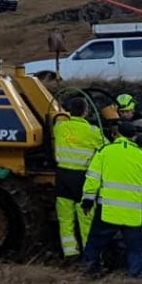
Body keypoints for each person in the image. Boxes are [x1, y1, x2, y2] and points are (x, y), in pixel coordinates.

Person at [79, 120, 142, 277]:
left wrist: (87, 201)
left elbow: (92, 180)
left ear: (117, 134)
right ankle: (134, 276)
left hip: (108, 212)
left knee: (95, 243)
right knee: (134, 248)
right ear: (134, 137)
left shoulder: (104, 152)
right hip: (132, 215)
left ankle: (89, 270)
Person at [51, 92, 107, 261]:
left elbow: (57, 119)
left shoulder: (60, 128)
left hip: (62, 177)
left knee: (65, 218)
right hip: (82, 178)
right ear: (86, 111)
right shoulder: (93, 131)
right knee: (86, 219)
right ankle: (90, 255)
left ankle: (70, 253)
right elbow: (106, 148)